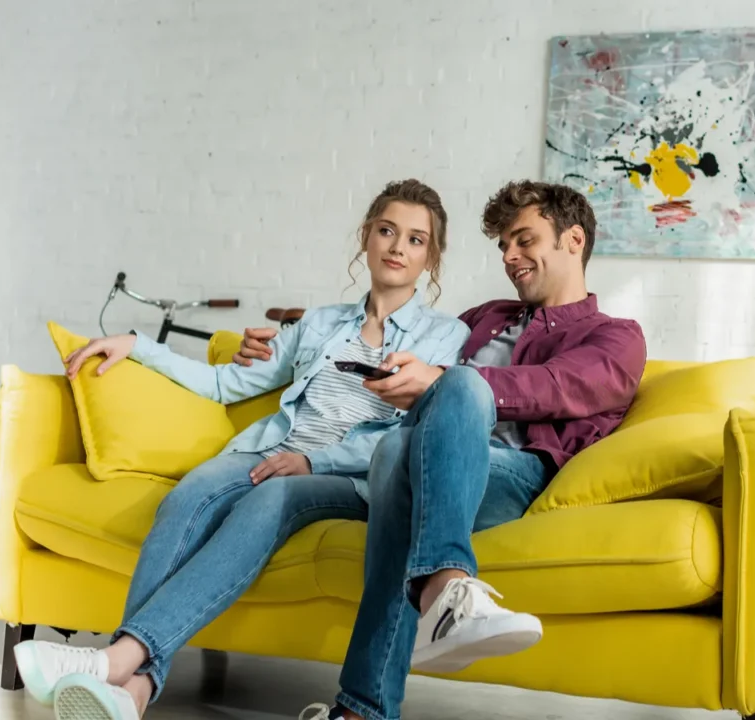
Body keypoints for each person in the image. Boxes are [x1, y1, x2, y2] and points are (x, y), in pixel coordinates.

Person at [15, 179, 472, 720]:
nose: (398, 247)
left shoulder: (446, 337)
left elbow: (409, 439)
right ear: (366, 237)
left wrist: (312, 461)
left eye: (416, 240)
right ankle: (132, 689)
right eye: (387, 230)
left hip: (344, 476)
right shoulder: (319, 324)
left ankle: (118, 662)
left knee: (268, 501)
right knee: (191, 493)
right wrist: (138, 345)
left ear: (431, 259)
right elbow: (223, 384)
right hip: (270, 452)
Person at [235, 180, 647, 720]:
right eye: (503, 245)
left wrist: (447, 382)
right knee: (394, 453)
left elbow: (555, 386)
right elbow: (399, 339)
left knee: (451, 400)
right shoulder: (483, 318)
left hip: (508, 472)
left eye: (523, 240)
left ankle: (443, 591)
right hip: (409, 455)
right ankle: (413, 644)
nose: (509, 256)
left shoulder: (615, 336)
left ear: (573, 240)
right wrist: (286, 344)